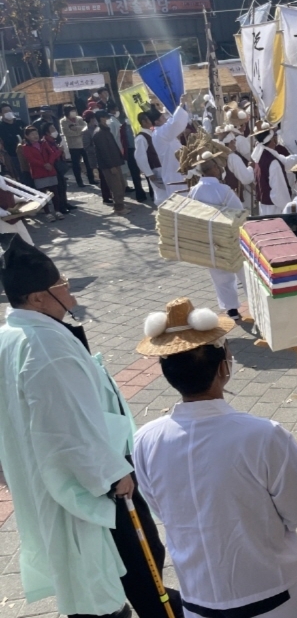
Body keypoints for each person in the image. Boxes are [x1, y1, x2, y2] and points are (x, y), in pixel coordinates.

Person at [0, 235, 182, 618]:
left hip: (60, 475)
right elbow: (64, 427)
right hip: (91, 485)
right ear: (37, 298)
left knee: (115, 566)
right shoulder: (43, 346)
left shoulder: (15, 334)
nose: (71, 293)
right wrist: (111, 474)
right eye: (62, 285)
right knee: (134, 559)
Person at [132, 297, 297, 618]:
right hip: (275, 592)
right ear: (224, 367)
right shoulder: (263, 435)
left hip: (201, 597)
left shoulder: (145, 440)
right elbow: (296, 506)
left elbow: (160, 506)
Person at [188, 150, 246, 318]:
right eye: (218, 166)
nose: (221, 168)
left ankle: (232, 309)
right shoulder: (224, 190)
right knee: (243, 271)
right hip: (228, 237)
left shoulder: (193, 191)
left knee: (219, 274)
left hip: (208, 239)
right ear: (212, 168)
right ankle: (256, 304)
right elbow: (239, 212)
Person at [21, 125, 66, 222]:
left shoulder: (44, 143)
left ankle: (57, 211)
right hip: (39, 172)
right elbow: (31, 160)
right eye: (32, 134)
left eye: (36, 133)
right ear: (27, 136)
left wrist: (50, 163)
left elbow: (52, 153)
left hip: (50, 170)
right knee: (42, 195)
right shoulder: (25, 147)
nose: (35, 136)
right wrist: (44, 165)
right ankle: (48, 213)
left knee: (55, 192)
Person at [148, 103, 190, 203]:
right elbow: (174, 123)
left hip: (178, 171)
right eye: (163, 118)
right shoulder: (159, 133)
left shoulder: (160, 132)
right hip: (174, 173)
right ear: (156, 122)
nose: (165, 119)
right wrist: (180, 107)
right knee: (180, 202)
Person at [91, 110, 129, 216]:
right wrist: (111, 165)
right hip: (110, 165)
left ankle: (120, 204)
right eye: (106, 117)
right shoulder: (99, 133)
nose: (108, 120)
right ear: (102, 119)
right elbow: (104, 152)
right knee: (116, 187)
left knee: (121, 184)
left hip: (115, 162)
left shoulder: (105, 131)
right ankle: (119, 208)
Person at [252, 122, 294, 215]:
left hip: (264, 207)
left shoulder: (259, 158)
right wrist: (287, 208)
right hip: (274, 209)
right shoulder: (272, 162)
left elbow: (285, 161)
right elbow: (278, 193)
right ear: (272, 140)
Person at [60, 104, 92, 187]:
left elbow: (86, 127)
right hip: (73, 146)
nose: (74, 112)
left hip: (83, 144)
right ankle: (79, 182)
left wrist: (76, 128)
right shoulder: (63, 121)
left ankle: (91, 179)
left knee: (88, 163)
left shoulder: (79, 119)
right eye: (72, 111)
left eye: (74, 110)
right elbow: (67, 133)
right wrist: (80, 131)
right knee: (76, 165)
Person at [0, 103, 27, 180]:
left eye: (9, 110)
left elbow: (29, 132)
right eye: (5, 111)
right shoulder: (1, 127)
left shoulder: (20, 122)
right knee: (19, 176)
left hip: (26, 153)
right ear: (1, 114)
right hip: (12, 156)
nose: (8, 112)